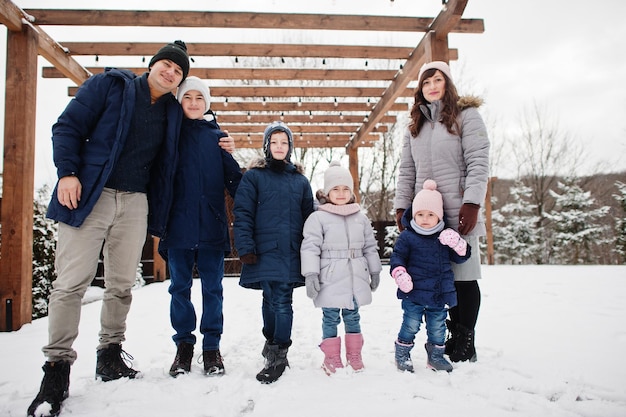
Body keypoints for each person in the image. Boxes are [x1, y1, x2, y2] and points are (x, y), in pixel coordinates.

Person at [27, 41, 230, 417]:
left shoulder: (172, 108)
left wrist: (220, 138)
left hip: (136, 200)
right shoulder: (110, 86)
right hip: (91, 193)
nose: (170, 73)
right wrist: (67, 173)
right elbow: (67, 126)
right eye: (166, 65)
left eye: (178, 71)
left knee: (121, 284)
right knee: (71, 282)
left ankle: (109, 355)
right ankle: (56, 369)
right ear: (152, 65)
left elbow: (195, 124)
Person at [393, 61, 490, 364]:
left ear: (448, 83)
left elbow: (478, 161)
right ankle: (448, 336)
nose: (432, 86)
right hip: (427, 217)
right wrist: (401, 205)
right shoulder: (415, 127)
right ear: (420, 89)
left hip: (460, 211)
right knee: (437, 277)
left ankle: (465, 339)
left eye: (438, 80)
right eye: (426, 82)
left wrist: (472, 203)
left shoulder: (467, 117)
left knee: (463, 276)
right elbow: (407, 170)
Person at [157, 76, 242, 378]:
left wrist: (258, 204)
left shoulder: (217, 137)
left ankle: (211, 349)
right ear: (179, 100)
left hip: (211, 228)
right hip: (177, 229)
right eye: (187, 97)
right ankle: (183, 348)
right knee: (179, 289)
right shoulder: (168, 134)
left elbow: (236, 182)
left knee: (213, 290)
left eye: (199, 98)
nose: (193, 103)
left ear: (207, 103)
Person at [233, 121, 314, 384]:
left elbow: (309, 218)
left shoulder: (300, 181)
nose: (280, 146)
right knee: (269, 300)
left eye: (285, 142)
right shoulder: (254, 177)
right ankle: (271, 342)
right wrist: (245, 247)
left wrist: (311, 251)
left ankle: (280, 352)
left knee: (282, 300)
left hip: (290, 252)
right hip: (263, 251)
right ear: (267, 146)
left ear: (290, 148)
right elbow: (243, 213)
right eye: (275, 142)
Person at [300, 161, 382, 375]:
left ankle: (354, 355)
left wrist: (374, 271)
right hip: (330, 277)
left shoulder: (360, 218)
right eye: (335, 189)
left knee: (353, 316)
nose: (341, 193)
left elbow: (370, 247)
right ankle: (331, 357)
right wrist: (311, 275)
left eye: (346, 189)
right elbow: (310, 247)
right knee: (330, 317)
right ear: (327, 192)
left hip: (355, 277)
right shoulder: (317, 218)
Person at [390, 179, 472, 373]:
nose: (425, 218)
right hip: (414, 293)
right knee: (410, 325)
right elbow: (397, 257)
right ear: (413, 215)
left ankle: (435, 356)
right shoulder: (408, 237)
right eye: (420, 214)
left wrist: (457, 243)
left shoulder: (444, 236)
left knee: (438, 328)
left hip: (439, 294)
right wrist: (400, 273)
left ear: (439, 216)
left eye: (430, 214)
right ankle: (402, 353)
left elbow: (461, 258)